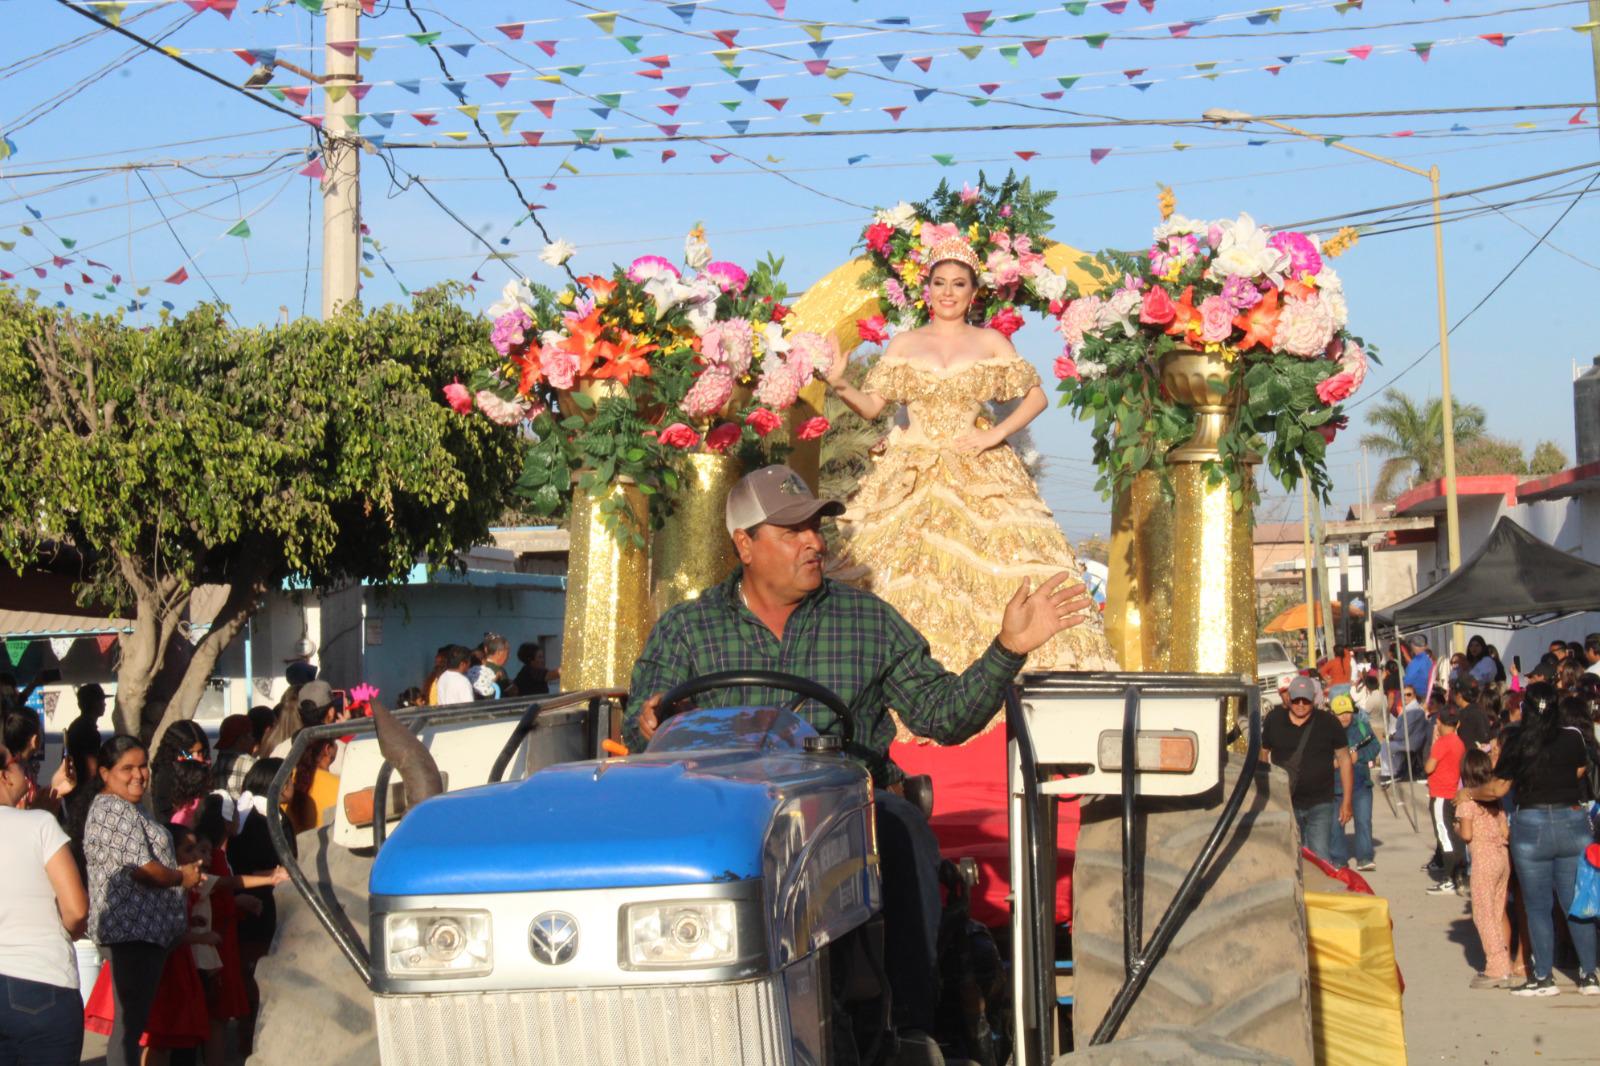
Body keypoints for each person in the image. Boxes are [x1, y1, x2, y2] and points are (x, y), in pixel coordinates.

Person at [625, 463, 1092, 1036]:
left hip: (854, 809)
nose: (815, 543)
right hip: (727, 815)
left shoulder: (868, 621)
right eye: (793, 531)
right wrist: (647, 722)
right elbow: (640, 724)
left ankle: (911, 1031)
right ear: (744, 544)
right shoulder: (686, 630)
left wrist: (1007, 648)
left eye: (817, 528)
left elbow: (943, 716)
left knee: (902, 833)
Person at [1459, 682, 1598, 996]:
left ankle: (1543, 978)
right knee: (1575, 902)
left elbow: (1498, 789)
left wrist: (1468, 792)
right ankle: (1589, 976)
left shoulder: (1518, 741)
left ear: (1525, 709)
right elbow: (1579, 771)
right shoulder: (1572, 736)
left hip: (1532, 825)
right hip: (1570, 821)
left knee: (1537, 906)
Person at [83, 735, 202, 1066]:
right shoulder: (113, 810)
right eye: (127, 768)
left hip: (147, 935)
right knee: (128, 1030)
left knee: (135, 1027)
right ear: (105, 773)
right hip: (132, 935)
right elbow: (142, 870)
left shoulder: (129, 807)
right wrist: (182, 877)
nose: (138, 774)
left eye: (143, 766)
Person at [0, 742, 89, 1066]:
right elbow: (77, 909)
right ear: (4, 776)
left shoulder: (36, 820)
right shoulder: (39, 826)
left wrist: (53, 793)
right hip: (41, 983)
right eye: (18, 762)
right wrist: (70, 930)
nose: (25, 767)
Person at [1261, 675, 1354, 863]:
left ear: (1313, 699)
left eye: (1306, 700)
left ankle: (1320, 892)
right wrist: (1266, 791)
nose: (1301, 704)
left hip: (1321, 802)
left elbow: (1344, 760)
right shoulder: (1274, 719)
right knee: (1290, 857)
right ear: (1288, 698)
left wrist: (1347, 801)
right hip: (1287, 801)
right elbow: (1263, 753)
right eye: (1296, 699)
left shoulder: (1329, 723)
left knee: (1320, 857)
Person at [1455, 749, 1515, 989]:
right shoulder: (1496, 802)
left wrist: (1457, 828)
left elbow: (1467, 835)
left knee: (1483, 914)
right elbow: (1505, 831)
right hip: (1502, 857)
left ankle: (1496, 966)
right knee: (1498, 910)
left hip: (1483, 859)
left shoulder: (1465, 802)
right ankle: (1506, 962)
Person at [1328, 694, 1380, 872]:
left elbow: (1375, 747)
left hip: (1361, 784)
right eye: (1341, 713)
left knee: (1364, 821)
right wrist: (1333, 763)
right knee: (1336, 824)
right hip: (1334, 787)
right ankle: (1338, 859)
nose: (1345, 716)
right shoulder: (1325, 731)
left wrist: (1359, 756)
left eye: (1348, 712)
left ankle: (1364, 857)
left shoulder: (1361, 727)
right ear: (1332, 714)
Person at [1424, 708, 1467, 896]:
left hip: (1441, 794)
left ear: (1440, 722)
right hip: (1452, 793)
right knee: (1453, 835)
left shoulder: (1442, 743)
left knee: (1444, 836)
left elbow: (1429, 767)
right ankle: (1458, 874)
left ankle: (1449, 878)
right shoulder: (1459, 742)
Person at [150, 719, 213, 824]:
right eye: (189, 754)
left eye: (201, 752)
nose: (198, 758)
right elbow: (163, 813)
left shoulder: (204, 768)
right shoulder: (165, 775)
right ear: (174, 751)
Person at [64, 683, 107, 760]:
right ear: (94, 704)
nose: (105, 704)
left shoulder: (77, 725)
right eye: (101, 701)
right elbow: (92, 767)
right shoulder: (89, 730)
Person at [1402, 635, 1434, 707]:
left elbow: (1408, 680)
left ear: (1413, 646)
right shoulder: (1428, 659)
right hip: (1428, 695)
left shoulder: (1417, 661)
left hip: (1419, 697)